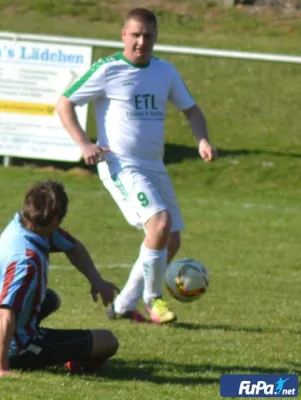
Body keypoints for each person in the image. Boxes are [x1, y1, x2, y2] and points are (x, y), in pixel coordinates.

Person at [55, 8, 217, 324]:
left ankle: (122, 305)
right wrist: (84, 143)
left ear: (156, 37)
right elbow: (64, 104)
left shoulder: (165, 72)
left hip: (153, 166)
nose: (142, 42)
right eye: (136, 35)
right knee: (159, 223)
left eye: (148, 36)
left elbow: (193, 111)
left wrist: (203, 140)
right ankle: (152, 299)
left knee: (170, 239)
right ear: (124, 36)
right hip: (120, 165)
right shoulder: (108, 69)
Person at [0, 180, 119, 377]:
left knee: (49, 299)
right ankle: (73, 363)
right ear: (54, 220)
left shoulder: (20, 226)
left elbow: (73, 247)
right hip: (14, 349)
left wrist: (97, 280)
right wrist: (2, 369)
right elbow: (5, 314)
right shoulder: (26, 261)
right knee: (107, 341)